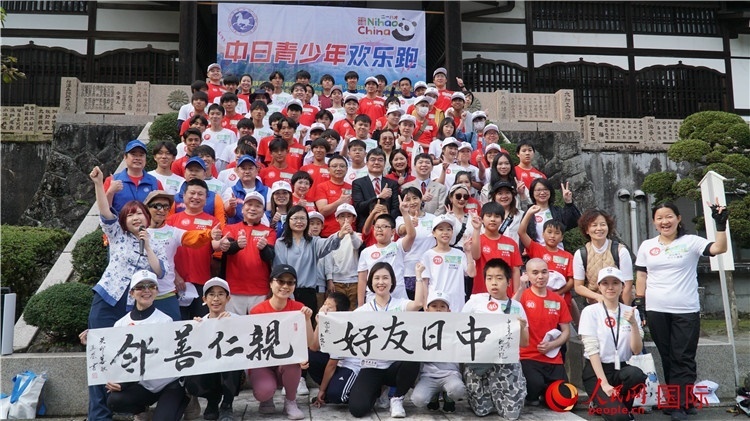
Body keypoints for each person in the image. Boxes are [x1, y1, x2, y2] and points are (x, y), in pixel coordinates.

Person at [634, 202, 728, 421]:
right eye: (659, 218)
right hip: (656, 309)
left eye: (669, 216)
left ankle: (678, 405)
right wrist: (640, 303)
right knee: (668, 356)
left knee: (682, 356)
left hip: (685, 309)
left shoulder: (691, 241)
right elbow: (641, 275)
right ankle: (682, 401)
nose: (664, 221)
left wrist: (720, 225)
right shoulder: (647, 246)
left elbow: (719, 248)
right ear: (654, 222)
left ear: (678, 218)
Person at [86, 166, 167, 421]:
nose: (135, 218)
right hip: (107, 299)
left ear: (147, 217)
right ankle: (99, 416)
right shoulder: (117, 234)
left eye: (139, 213)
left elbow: (159, 271)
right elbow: (104, 211)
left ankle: (131, 406)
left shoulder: (156, 241)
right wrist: (99, 184)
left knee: (127, 356)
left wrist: (148, 245)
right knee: (99, 357)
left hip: (134, 307)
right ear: (124, 219)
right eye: (130, 214)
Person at [104, 270, 188, 420]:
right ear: (131, 293)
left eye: (151, 286)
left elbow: (155, 360)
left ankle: (182, 402)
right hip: (143, 386)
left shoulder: (165, 321)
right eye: (140, 287)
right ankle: (142, 411)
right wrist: (92, 339)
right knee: (115, 400)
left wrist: (125, 383)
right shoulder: (120, 324)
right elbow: (115, 358)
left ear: (157, 291)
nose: (146, 290)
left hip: (168, 383)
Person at [348, 262, 425, 418]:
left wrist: (418, 276)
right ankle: (378, 391)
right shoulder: (363, 310)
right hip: (371, 366)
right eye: (376, 278)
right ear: (371, 282)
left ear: (392, 281)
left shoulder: (400, 304)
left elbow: (418, 304)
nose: (381, 282)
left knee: (413, 358)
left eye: (385, 278)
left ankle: (397, 398)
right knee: (357, 409)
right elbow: (344, 326)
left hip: (394, 366)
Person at [462, 258, 529, 419]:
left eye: (499, 278)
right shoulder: (475, 301)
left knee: (511, 414)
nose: (494, 283)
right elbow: (461, 330)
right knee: (482, 411)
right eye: (489, 278)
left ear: (508, 282)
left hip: (506, 363)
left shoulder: (516, 307)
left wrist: (521, 327)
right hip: (479, 363)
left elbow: (525, 343)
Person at [579, 267, 647, 421]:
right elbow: (592, 350)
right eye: (605, 283)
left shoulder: (632, 312)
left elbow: (636, 350)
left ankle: (622, 407)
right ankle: (604, 406)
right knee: (619, 418)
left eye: (615, 283)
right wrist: (603, 383)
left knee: (636, 375)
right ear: (599, 286)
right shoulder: (590, 312)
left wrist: (633, 324)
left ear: (622, 286)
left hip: (621, 367)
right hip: (597, 371)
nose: (610, 287)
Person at [249, 265, 315, 420]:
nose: (285, 286)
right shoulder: (257, 311)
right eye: (280, 281)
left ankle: (291, 401)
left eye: (290, 282)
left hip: (286, 362)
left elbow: (309, 342)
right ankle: (266, 399)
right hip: (264, 364)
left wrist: (307, 320)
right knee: (263, 391)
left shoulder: (299, 309)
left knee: (293, 363)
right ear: (271, 283)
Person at [143, 190, 219, 322]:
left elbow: (192, 237)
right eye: (157, 206)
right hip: (141, 293)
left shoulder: (173, 232)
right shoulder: (135, 230)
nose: (162, 210)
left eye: (166, 207)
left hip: (166, 293)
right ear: (146, 208)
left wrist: (209, 234)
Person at [273, 204, 350, 321]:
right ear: (288, 220)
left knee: (308, 326)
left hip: (308, 294)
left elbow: (328, 245)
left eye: (303, 218)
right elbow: (280, 269)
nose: (299, 221)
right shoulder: (281, 243)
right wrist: (289, 294)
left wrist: (340, 234)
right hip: (286, 292)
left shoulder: (313, 242)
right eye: (295, 218)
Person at [184, 277, 242, 421]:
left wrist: (230, 326)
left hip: (230, 371)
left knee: (231, 363)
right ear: (204, 299)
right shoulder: (200, 322)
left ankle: (227, 404)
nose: (216, 299)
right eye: (211, 294)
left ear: (228, 298)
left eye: (221, 294)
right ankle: (212, 402)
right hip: (209, 370)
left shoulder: (238, 320)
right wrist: (195, 331)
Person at [519, 258, 572, 406]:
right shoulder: (523, 297)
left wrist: (552, 345)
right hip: (528, 357)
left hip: (552, 357)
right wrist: (520, 288)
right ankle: (537, 393)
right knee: (534, 387)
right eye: (535, 273)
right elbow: (510, 310)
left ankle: (546, 392)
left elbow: (566, 331)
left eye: (544, 272)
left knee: (565, 401)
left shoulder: (558, 300)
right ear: (527, 275)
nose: (540, 277)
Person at [167, 179, 220, 319]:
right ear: (183, 196)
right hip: (175, 282)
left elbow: (216, 245)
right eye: (192, 193)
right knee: (178, 324)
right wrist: (175, 275)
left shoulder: (213, 222)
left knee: (201, 323)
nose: (196, 197)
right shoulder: (171, 221)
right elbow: (163, 253)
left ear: (206, 198)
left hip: (202, 281)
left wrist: (223, 244)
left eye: (200, 194)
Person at [217, 192, 276, 315]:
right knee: (234, 325)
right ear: (242, 209)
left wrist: (264, 248)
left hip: (260, 290)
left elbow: (269, 256)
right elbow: (227, 249)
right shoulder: (230, 228)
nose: (253, 208)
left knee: (258, 325)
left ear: (263, 212)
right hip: (234, 289)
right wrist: (237, 245)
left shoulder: (269, 232)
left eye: (258, 206)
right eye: (249, 205)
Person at [410, 290, 467, 412]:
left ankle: (448, 396)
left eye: (442, 307)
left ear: (448, 311)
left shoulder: (456, 329)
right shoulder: (420, 329)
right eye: (434, 306)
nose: (438, 310)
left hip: (450, 374)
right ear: (427, 310)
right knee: (418, 400)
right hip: (428, 376)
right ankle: (434, 396)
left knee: (457, 390)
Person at [519, 206, 575, 319]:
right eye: (549, 232)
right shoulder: (537, 249)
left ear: (562, 237)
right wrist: (529, 213)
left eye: (557, 233)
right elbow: (521, 232)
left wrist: (557, 293)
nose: (552, 236)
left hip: (561, 300)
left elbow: (572, 281)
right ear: (543, 234)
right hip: (538, 300)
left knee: (562, 326)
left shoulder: (568, 256)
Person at [357, 198, 414, 306]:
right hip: (374, 299)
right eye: (377, 227)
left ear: (393, 231)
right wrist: (360, 305)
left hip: (398, 298)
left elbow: (411, 235)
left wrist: (405, 213)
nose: (379, 229)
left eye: (384, 226)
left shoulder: (398, 246)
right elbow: (362, 280)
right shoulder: (366, 252)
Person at [308, 292, 361, 407]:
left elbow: (332, 365)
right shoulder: (328, 322)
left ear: (339, 312)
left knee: (336, 396)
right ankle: (330, 391)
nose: (324, 309)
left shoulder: (342, 325)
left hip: (350, 366)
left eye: (329, 307)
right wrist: (319, 324)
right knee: (310, 356)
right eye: (324, 304)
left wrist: (321, 390)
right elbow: (313, 347)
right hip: (338, 365)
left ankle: (362, 394)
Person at [574, 209, 634, 306]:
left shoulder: (621, 251)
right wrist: (598, 297)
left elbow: (627, 285)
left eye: (603, 224)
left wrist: (624, 309)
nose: (599, 228)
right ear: (587, 230)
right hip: (594, 305)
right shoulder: (581, 254)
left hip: (619, 303)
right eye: (594, 225)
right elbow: (578, 286)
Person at [418, 214, 475, 312]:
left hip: (456, 303)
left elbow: (471, 273)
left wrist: (468, 252)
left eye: (448, 229)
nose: (445, 232)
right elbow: (425, 282)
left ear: (452, 232)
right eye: (441, 229)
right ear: (433, 233)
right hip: (436, 304)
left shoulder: (460, 254)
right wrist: (425, 303)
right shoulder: (427, 255)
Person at [470, 202, 523, 298]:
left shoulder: (511, 243)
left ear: (502, 220)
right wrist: (476, 229)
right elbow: (475, 256)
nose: (493, 219)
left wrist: (516, 295)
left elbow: (515, 270)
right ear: (482, 219)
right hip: (482, 294)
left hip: (506, 295)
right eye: (489, 216)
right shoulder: (477, 239)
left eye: (497, 216)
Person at [396, 187, 436, 300]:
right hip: (409, 271)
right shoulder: (400, 219)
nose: (412, 202)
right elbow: (402, 231)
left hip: (430, 269)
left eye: (415, 198)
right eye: (408, 199)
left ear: (421, 199)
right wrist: (409, 223)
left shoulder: (433, 218)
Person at [321, 203, 362, 310]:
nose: (345, 219)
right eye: (342, 216)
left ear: (354, 219)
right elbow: (329, 260)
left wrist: (351, 233)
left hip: (354, 280)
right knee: (337, 309)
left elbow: (357, 245)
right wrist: (330, 279)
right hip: (337, 281)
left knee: (353, 309)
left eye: (349, 216)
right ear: (337, 219)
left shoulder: (357, 235)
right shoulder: (332, 237)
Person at [103, 140, 163, 214]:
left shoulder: (155, 182)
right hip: (119, 221)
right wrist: (110, 192)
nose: (137, 158)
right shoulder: (112, 180)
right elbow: (104, 210)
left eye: (141, 155)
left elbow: (161, 209)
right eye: (133, 155)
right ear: (125, 157)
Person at [351, 148, 400, 230]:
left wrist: (385, 223)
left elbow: (395, 208)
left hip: (387, 228)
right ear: (367, 163)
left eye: (380, 160)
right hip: (366, 228)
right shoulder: (358, 183)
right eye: (373, 160)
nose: (376, 163)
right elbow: (359, 207)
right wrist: (379, 196)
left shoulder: (392, 184)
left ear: (384, 163)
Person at [525, 178, 581, 249]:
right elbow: (523, 234)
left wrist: (568, 203)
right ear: (532, 193)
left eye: (545, 189)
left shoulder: (557, 211)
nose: (542, 193)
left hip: (558, 251)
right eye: (538, 190)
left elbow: (575, 221)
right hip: (538, 252)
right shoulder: (529, 213)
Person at [313, 154, 354, 238]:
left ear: (347, 169)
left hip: (349, 234)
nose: (338, 169)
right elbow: (322, 211)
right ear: (328, 169)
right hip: (329, 234)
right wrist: (340, 201)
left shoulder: (352, 187)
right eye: (334, 166)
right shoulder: (322, 187)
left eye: (342, 166)